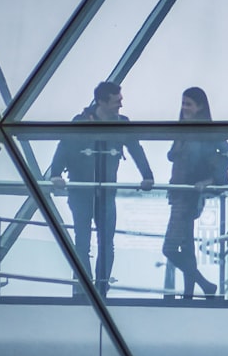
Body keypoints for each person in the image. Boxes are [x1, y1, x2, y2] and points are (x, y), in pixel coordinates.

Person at [50, 82, 154, 296]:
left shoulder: (121, 124)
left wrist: (148, 176)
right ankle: (86, 290)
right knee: (83, 243)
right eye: (117, 101)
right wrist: (56, 173)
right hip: (82, 193)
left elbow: (136, 149)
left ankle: (100, 290)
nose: (121, 105)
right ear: (101, 101)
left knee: (105, 244)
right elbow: (64, 146)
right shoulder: (80, 123)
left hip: (105, 194)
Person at [162, 87, 228, 299]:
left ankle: (204, 284)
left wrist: (210, 179)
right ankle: (189, 294)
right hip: (179, 193)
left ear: (200, 107)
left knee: (170, 248)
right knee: (186, 247)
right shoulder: (183, 131)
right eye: (183, 103)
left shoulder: (207, 132)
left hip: (189, 194)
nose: (184, 108)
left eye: (189, 104)